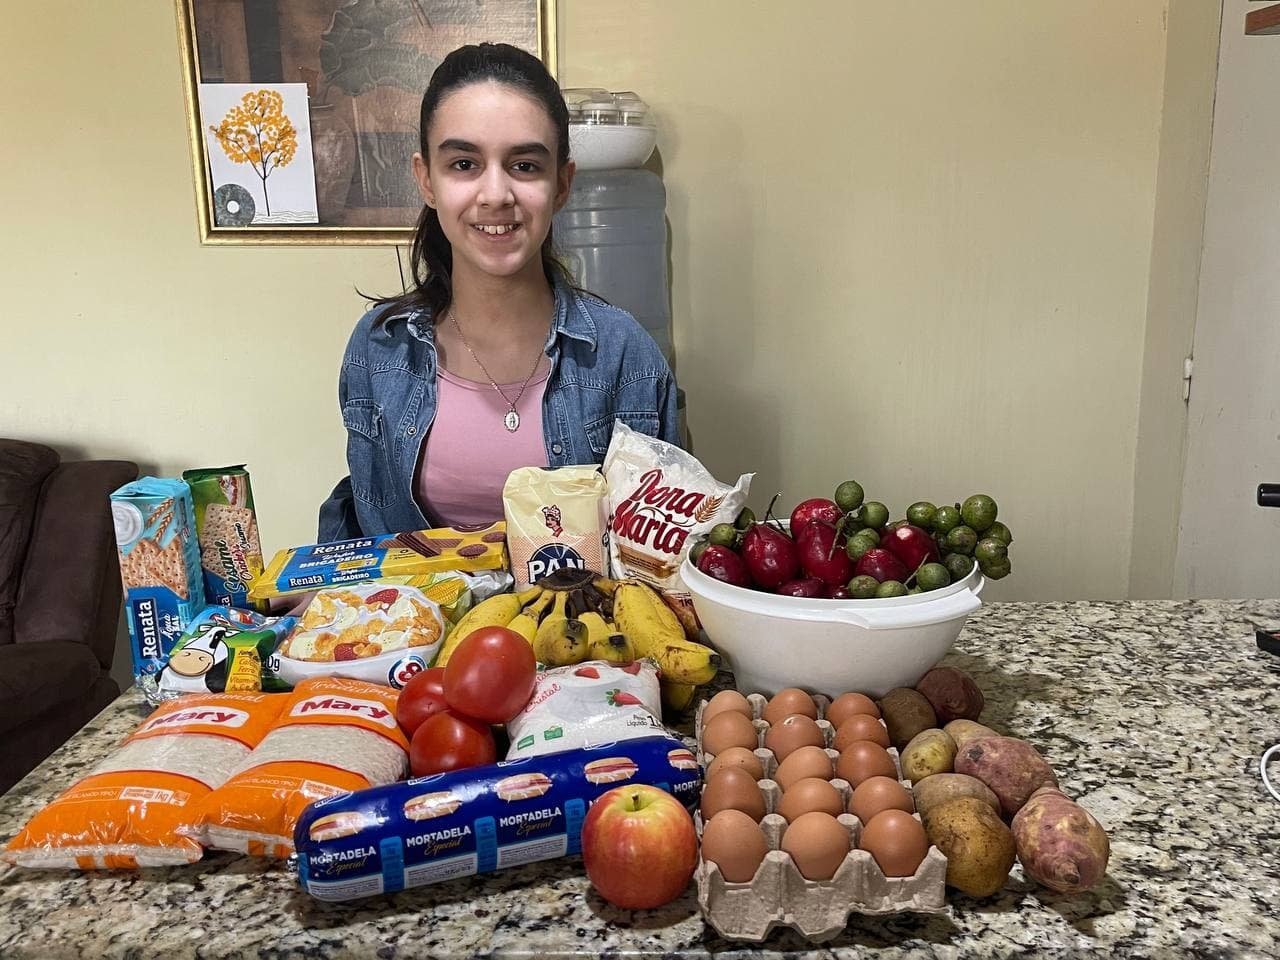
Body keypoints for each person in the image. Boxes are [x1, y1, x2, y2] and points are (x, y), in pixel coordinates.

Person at [317, 42, 679, 543]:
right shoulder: (379, 349)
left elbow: (662, 546)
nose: (495, 195)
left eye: (525, 165)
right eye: (464, 164)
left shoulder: (624, 354)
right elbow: (362, 520)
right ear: (426, 180)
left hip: (579, 620)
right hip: (421, 619)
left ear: (561, 184)